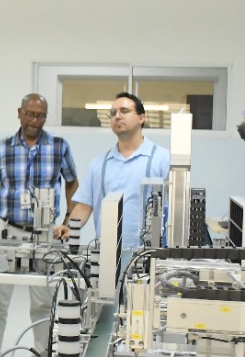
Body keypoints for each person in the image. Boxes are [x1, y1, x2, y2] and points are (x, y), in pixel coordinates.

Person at [0, 94, 78, 357]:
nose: (34, 120)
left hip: (42, 234)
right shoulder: (2, 148)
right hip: (7, 231)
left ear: (45, 117)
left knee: (41, 301)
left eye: (40, 115)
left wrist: (67, 220)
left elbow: (72, 183)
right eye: (30, 114)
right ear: (19, 113)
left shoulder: (59, 147)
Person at [54, 91, 170, 262]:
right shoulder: (99, 164)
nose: (117, 116)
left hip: (148, 257)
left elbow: (172, 209)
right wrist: (70, 227)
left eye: (124, 111)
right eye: (113, 113)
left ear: (141, 118)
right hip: (105, 256)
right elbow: (84, 205)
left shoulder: (161, 159)